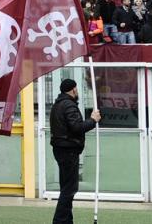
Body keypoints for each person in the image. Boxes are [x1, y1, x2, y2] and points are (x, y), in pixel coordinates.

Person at [50, 79, 101, 224]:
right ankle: (60, 221)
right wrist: (93, 120)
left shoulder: (57, 105)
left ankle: (66, 220)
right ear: (73, 90)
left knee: (66, 188)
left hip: (61, 149)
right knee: (69, 189)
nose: (77, 91)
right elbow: (76, 127)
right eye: (76, 89)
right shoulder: (69, 105)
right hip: (68, 151)